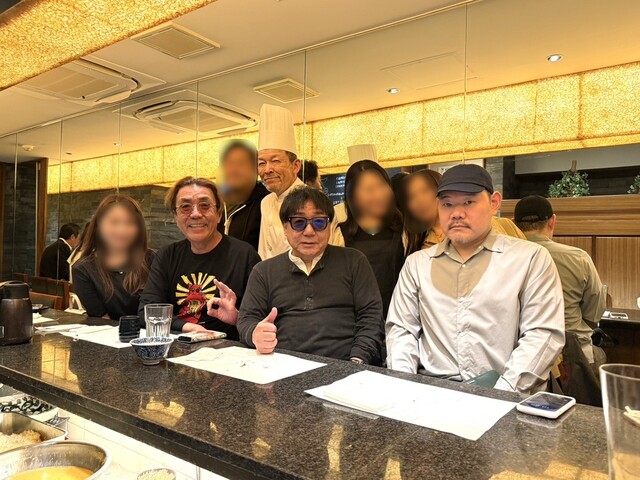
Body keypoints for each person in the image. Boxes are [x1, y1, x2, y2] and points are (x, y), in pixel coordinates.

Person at [386, 164, 565, 394]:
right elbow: (401, 329)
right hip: (433, 392)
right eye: (447, 204)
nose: (457, 213)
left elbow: (543, 333)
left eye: (468, 202)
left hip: (507, 394)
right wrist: (404, 388)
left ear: (494, 203)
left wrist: (500, 395)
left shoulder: (530, 259)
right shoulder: (417, 264)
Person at [237, 187, 383, 364]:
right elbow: (246, 320)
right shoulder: (263, 271)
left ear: (329, 227)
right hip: (281, 366)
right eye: (298, 222)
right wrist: (255, 333)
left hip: (346, 365)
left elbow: (371, 318)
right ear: (285, 227)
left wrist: (357, 360)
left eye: (319, 222)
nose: (309, 231)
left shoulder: (354, 262)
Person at [139, 177, 260, 337]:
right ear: (175, 216)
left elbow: (260, 320)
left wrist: (236, 317)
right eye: (185, 207)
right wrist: (186, 327)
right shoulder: (167, 256)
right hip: (179, 343)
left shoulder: (245, 256)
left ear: (218, 214)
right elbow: (146, 311)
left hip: (228, 347)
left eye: (204, 205)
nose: (195, 214)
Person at [514, 195, 607, 369]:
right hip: (572, 351)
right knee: (600, 353)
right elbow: (594, 312)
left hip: (519, 353)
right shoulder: (578, 257)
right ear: (552, 221)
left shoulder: (504, 257)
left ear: (514, 224)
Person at [257, 104, 342, 259]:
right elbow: (263, 253)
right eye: (261, 163)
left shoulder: (316, 202)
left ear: (296, 166)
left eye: (275, 161)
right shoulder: (266, 203)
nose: (267, 169)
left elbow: (329, 256)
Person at [400, 168, 526, 255]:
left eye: (425, 190)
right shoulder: (421, 246)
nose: (419, 201)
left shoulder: (503, 225)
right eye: (411, 197)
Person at [72, 195, 155, 320]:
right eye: (114, 222)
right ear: (98, 226)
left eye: (130, 222)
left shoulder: (151, 260)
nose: (122, 230)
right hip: (108, 331)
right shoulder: (83, 270)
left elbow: (159, 309)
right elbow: (102, 319)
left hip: (150, 330)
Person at [339, 160, 405, 317]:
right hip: (355, 320)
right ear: (352, 196)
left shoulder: (405, 230)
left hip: (398, 318)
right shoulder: (338, 234)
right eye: (369, 189)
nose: (379, 195)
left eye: (382, 185)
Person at [217, 139, 269, 251]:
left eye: (241, 164)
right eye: (228, 163)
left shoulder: (266, 203)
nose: (233, 170)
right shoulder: (216, 201)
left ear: (256, 169)